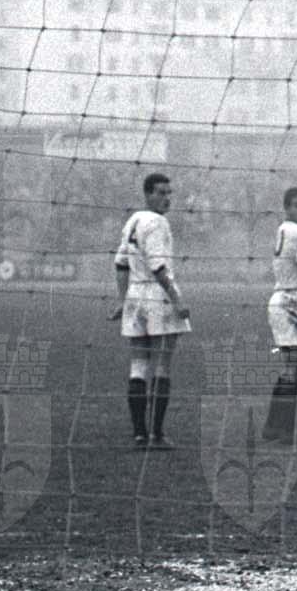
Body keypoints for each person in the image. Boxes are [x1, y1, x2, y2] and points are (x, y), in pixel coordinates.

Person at [112, 173, 191, 449]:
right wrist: (177, 299)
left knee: (138, 365)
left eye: (169, 193)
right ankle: (156, 435)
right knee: (162, 364)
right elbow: (158, 266)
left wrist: (122, 300)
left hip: (135, 295)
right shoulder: (157, 222)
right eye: (161, 193)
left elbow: (120, 263)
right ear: (147, 194)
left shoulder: (133, 220)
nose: (167, 198)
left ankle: (139, 434)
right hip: (158, 295)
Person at [263, 187, 297, 440]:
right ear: (286, 208)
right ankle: (280, 427)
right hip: (291, 301)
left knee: (296, 365)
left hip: (287, 298)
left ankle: (277, 425)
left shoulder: (284, 229)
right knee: (295, 366)